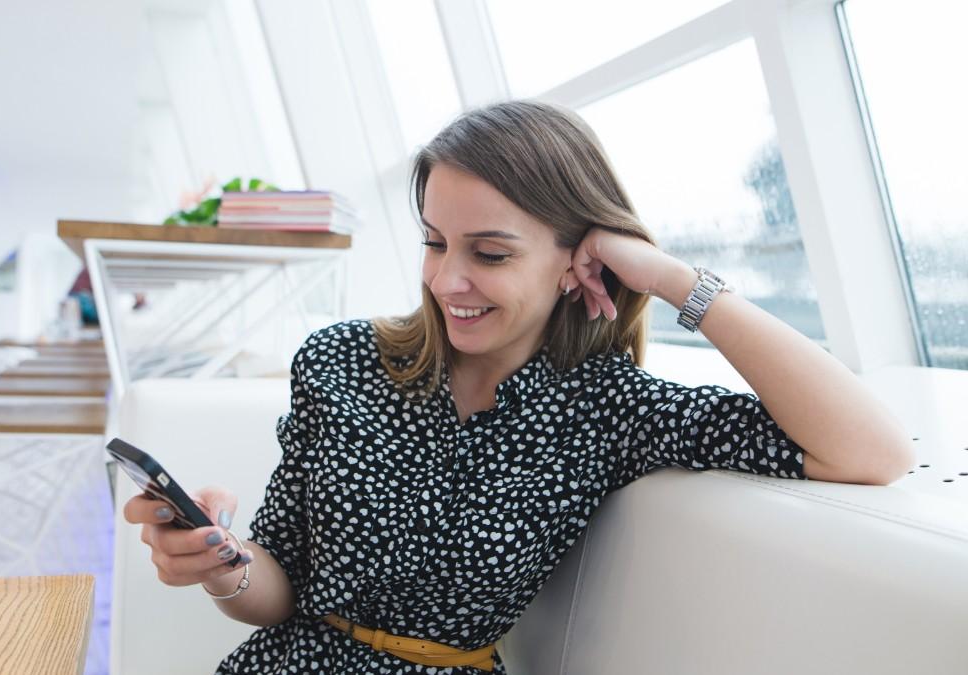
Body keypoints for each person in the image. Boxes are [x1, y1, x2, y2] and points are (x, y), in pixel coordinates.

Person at [123, 101, 915, 674]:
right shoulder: (339, 362)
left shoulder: (607, 406)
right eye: (434, 242)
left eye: (490, 254)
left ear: (580, 259)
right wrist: (219, 563)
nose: (446, 279)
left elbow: (872, 449)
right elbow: (277, 585)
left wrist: (669, 277)